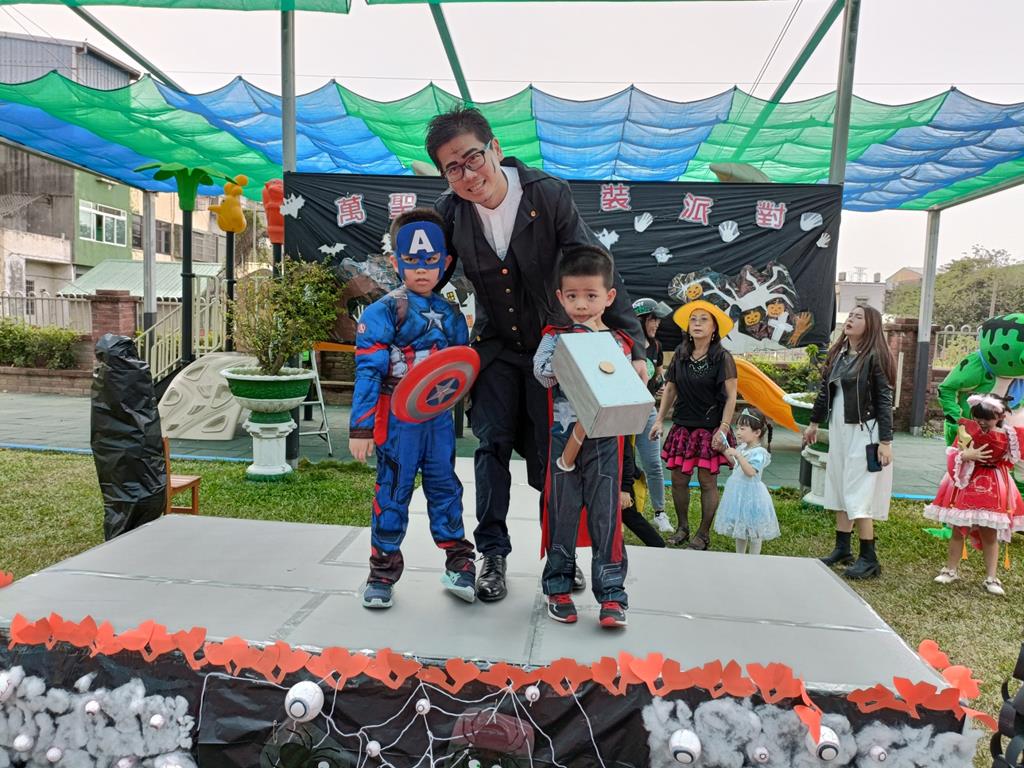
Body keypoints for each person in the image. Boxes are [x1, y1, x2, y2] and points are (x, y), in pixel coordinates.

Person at [428, 107, 646, 603]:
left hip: (554, 351)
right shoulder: (451, 212)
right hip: (496, 350)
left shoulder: (546, 195)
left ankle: (560, 556)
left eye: (472, 158)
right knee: (490, 446)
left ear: (495, 149)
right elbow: (430, 274)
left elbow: (595, 265)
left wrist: (633, 342)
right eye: (452, 168)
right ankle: (493, 555)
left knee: (554, 456)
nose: (468, 175)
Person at [349, 209, 476, 609]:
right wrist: (361, 428)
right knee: (392, 490)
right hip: (395, 417)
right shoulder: (383, 312)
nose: (422, 270)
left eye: (431, 261)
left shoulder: (452, 316)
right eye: (411, 261)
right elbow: (368, 372)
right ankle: (382, 572)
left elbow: (461, 368)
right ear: (395, 261)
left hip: (436, 419)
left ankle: (459, 563)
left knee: (445, 487)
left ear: (445, 262)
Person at [532, 245, 631, 628]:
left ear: (609, 297)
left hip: (605, 442)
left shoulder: (619, 342)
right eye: (572, 296)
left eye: (591, 296)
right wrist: (573, 351)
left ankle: (612, 595)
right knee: (563, 512)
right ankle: (557, 587)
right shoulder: (555, 337)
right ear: (560, 297)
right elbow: (542, 373)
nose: (581, 304)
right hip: (564, 440)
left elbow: (628, 386)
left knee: (606, 517)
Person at [804, 304, 895, 580]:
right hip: (840, 430)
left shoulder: (875, 356)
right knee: (839, 486)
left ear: (871, 325)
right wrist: (814, 423)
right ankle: (842, 549)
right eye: (851, 315)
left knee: (858, 490)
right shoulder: (840, 355)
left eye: (858, 317)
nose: (851, 320)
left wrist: (886, 441)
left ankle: (869, 557)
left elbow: (884, 400)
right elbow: (825, 392)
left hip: (865, 431)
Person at [651, 300, 738, 551]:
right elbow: (670, 388)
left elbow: (731, 396)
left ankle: (703, 534)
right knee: (678, 479)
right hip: (683, 426)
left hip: (711, 427)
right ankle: (682, 528)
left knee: (707, 481)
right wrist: (659, 419)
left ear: (714, 328)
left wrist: (723, 428)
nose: (697, 324)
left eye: (703, 319)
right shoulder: (681, 353)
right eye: (693, 319)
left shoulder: (722, 357)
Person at [924, 394, 1024, 596]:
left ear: (1000, 416)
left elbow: (1013, 459)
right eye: (977, 418)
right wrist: (965, 455)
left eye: (987, 419)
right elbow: (953, 451)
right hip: (968, 481)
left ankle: (991, 577)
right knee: (959, 528)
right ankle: (950, 570)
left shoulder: (1010, 435)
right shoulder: (967, 429)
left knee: (990, 532)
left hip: (995, 485)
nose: (981, 422)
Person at [713, 408, 779, 555]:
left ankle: (753, 558)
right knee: (740, 528)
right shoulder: (743, 447)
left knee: (755, 531)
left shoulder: (759, 453)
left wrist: (738, 455)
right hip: (739, 494)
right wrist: (724, 450)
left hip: (752, 496)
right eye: (737, 428)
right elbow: (736, 463)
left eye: (742, 429)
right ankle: (740, 556)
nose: (738, 432)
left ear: (757, 433)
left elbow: (750, 472)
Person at [632, 298, 673, 533]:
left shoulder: (656, 346)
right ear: (640, 320)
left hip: (648, 410)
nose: (657, 324)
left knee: (654, 465)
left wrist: (661, 383)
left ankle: (659, 513)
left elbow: (658, 373)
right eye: (653, 319)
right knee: (622, 464)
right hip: (624, 412)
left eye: (658, 320)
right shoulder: (625, 343)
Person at [621, 435, 668, 548]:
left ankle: (659, 546)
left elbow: (627, 457)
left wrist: (625, 489)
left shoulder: (619, 434)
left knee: (629, 515)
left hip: (618, 481)